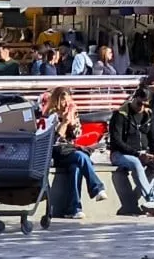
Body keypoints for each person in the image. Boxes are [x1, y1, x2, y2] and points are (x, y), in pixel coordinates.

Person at [46, 87, 108, 218]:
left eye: (68, 101)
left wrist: (73, 122)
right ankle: (97, 188)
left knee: (76, 168)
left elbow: (76, 136)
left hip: (69, 151)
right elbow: (55, 139)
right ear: (57, 101)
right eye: (63, 101)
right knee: (81, 156)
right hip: (54, 152)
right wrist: (65, 122)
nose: (66, 105)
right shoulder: (50, 115)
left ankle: (74, 209)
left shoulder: (72, 113)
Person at [107, 84, 154, 214]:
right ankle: (152, 199)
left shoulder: (148, 115)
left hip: (141, 153)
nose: (141, 107)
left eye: (145, 105)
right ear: (134, 98)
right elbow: (117, 141)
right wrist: (137, 154)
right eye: (139, 103)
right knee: (135, 163)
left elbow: (153, 137)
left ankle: (145, 200)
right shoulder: (120, 114)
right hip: (120, 154)